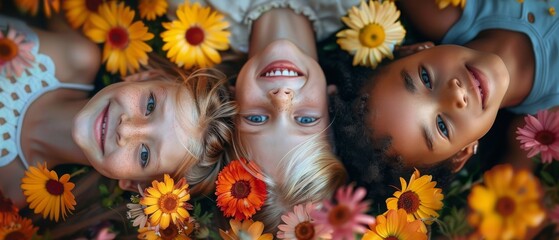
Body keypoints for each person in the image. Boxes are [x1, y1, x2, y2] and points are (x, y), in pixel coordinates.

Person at [327, 0, 559, 200]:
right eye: (441, 127)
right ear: (462, 153)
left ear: (415, 50)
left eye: (425, 78)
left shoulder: (438, 10)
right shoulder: (543, 127)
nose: (455, 95)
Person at [0, 13, 236, 208]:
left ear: (133, 183)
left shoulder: (11, 195)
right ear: (144, 77)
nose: (127, 128)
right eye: (150, 105)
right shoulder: (73, 56)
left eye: (144, 154)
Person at [166, 0, 355, 232]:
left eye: (256, 118)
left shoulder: (190, 11)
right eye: (305, 119)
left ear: (231, 102)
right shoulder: (356, 10)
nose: (281, 98)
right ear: (331, 104)